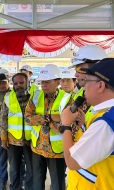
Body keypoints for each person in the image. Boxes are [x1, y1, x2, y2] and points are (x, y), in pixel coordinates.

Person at [60, 58, 114, 189]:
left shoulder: (106, 123)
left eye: (87, 82)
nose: (83, 87)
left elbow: (72, 162)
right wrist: (85, 125)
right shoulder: (105, 114)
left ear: (100, 85)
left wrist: (65, 125)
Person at [25, 64, 67, 190]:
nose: (43, 85)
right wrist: (48, 119)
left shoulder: (66, 98)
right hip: (37, 148)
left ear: (58, 81)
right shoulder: (36, 96)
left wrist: (40, 119)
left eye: (47, 82)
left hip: (57, 151)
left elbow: (68, 124)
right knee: (37, 182)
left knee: (58, 183)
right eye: (42, 82)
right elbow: (27, 118)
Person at [1, 73, 33, 190]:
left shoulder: (35, 95)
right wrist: (4, 137)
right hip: (13, 141)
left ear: (27, 82)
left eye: (21, 83)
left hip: (31, 141)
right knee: (14, 170)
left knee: (31, 170)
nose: (18, 86)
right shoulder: (8, 97)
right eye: (15, 84)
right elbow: (3, 118)